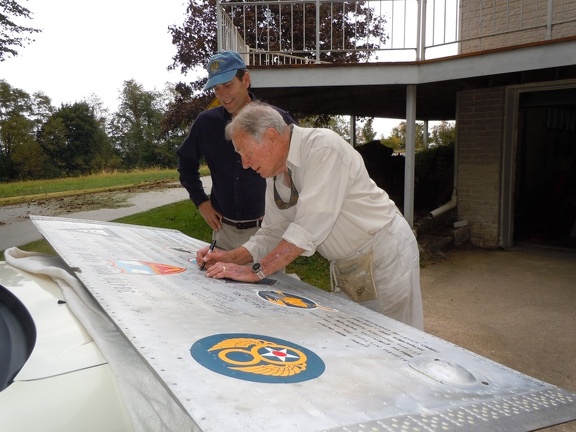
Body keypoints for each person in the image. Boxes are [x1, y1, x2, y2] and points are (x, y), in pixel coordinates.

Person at [198, 101, 424, 330]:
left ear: (271, 136)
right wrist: (229, 258)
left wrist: (256, 271)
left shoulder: (323, 149)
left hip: (384, 256)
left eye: (246, 153)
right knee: (361, 340)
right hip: (350, 264)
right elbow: (272, 231)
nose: (245, 164)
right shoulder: (276, 172)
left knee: (394, 341)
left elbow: (306, 229)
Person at [177, 51, 296, 251]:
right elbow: (186, 164)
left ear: (246, 80)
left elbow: (297, 167)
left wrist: (280, 210)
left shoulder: (278, 120)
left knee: (265, 281)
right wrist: (201, 202)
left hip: (266, 231)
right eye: (216, 89)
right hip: (223, 232)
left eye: (228, 85)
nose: (222, 95)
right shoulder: (206, 123)